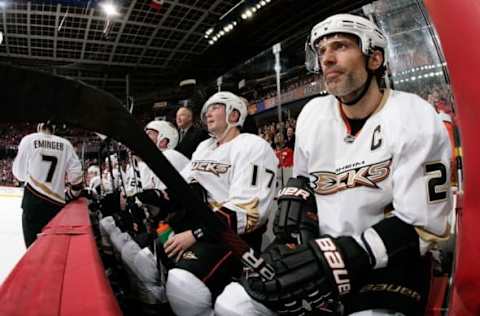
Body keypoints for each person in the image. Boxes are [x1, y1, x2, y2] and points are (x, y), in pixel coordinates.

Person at [215, 13, 452, 316]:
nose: (326, 58)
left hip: (389, 261)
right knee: (231, 304)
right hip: (325, 252)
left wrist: (345, 255)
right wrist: (298, 236)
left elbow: (424, 226)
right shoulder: (313, 114)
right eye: (321, 51)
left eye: (339, 46)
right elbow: (303, 188)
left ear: (374, 58)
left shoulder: (414, 115)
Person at [164, 91, 278, 316]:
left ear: (234, 114)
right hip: (202, 227)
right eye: (207, 109)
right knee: (155, 250)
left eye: (216, 107)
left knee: (183, 285)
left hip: (234, 236)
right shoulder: (204, 147)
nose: (208, 113)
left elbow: (249, 211)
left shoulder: (253, 146)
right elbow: (183, 186)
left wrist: (195, 234)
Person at [12, 122, 83, 247]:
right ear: (54, 128)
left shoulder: (29, 140)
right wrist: (72, 194)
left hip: (32, 204)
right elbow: (76, 176)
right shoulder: (66, 144)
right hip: (55, 206)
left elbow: (19, 174)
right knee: (51, 249)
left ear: (39, 126)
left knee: (32, 250)